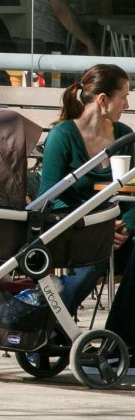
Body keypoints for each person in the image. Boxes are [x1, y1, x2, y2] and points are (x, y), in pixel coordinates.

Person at [38, 64, 135, 315]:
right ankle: (52, 324)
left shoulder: (125, 136)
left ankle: (120, 333)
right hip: (76, 231)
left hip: (118, 232)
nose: (127, 104)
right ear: (103, 100)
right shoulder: (63, 136)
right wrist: (96, 228)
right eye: (124, 96)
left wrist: (126, 226)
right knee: (96, 253)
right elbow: (49, 197)